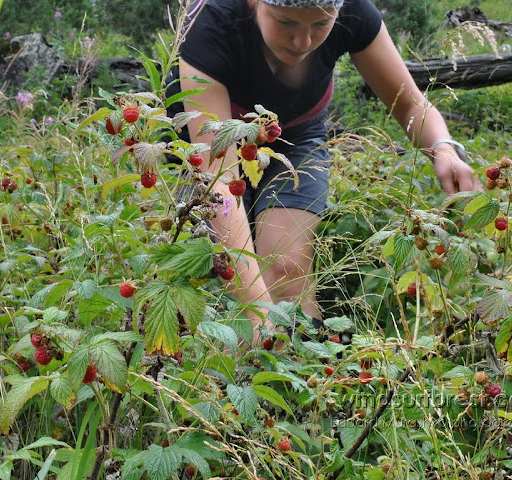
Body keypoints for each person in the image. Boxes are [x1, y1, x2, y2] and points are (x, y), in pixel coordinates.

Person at [168, 0, 483, 343]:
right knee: (219, 280)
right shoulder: (210, 22)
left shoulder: (355, 10)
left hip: (295, 137)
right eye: (285, 22)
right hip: (202, 145)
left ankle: (303, 382)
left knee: (286, 269)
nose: (302, 42)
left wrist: (444, 149)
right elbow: (219, 182)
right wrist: (256, 311)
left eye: (320, 25)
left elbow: (408, 103)